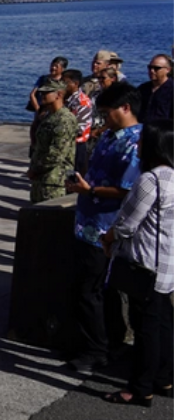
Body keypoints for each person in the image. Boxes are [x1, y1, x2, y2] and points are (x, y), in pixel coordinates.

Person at [64, 82, 144, 374]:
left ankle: (96, 350)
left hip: (105, 230)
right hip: (88, 224)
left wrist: (91, 189)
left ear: (126, 108)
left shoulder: (136, 142)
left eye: (108, 112)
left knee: (90, 290)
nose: (103, 119)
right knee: (96, 290)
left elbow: (128, 190)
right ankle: (106, 342)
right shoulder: (111, 136)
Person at [99, 120, 174, 407]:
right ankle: (165, 377)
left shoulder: (150, 180)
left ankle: (140, 388)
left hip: (146, 264)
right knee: (164, 322)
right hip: (168, 264)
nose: (138, 145)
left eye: (143, 141)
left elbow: (128, 224)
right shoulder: (172, 177)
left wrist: (109, 238)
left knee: (145, 328)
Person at [28, 79, 77, 203]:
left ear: (59, 95)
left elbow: (57, 154)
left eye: (46, 93)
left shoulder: (64, 119)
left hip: (55, 180)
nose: (42, 96)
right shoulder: (49, 116)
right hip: (41, 178)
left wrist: (36, 169)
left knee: (48, 217)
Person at [28, 57, 68, 159]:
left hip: (54, 112)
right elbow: (33, 94)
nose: (53, 68)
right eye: (52, 65)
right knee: (35, 129)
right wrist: (38, 110)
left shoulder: (64, 81)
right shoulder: (43, 79)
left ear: (62, 69)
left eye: (56, 66)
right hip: (41, 110)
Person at [62, 69, 94, 175]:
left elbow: (80, 128)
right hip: (65, 143)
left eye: (65, 82)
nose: (62, 85)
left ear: (75, 84)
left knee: (73, 175)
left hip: (76, 144)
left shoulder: (82, 102)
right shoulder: (66, 99)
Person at [138, 54, 173, 125]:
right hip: (143, 131)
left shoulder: (172, 90)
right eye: (150, 67)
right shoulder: (143, 88)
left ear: (168, 70)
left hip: (163, 133)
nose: (152, 71)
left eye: (156, 68)